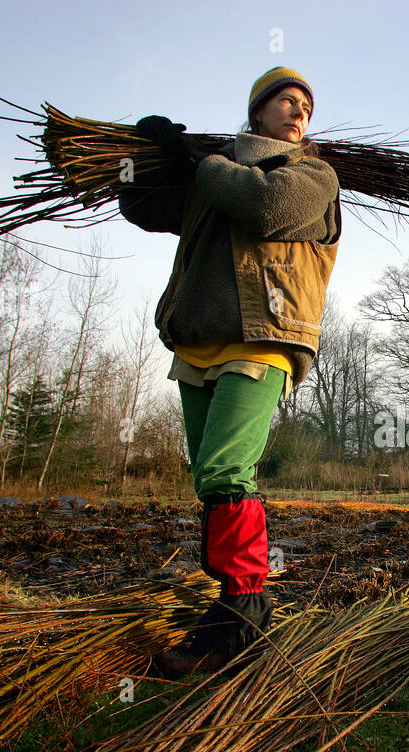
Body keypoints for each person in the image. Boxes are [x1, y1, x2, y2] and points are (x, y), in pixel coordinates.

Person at [119, 67, 341, 676]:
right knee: (209, 480)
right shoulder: (212, 170)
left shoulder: (312, 174)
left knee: (225, 468)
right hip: (198, 342)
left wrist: (202, 164)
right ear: (257, 112)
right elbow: (142, 208)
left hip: (265, 336)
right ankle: (233, 606)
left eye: (305, 108)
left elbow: (267, 208)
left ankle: (243, 610)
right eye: (285, 104)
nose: (298, 115)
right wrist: (145, 158)